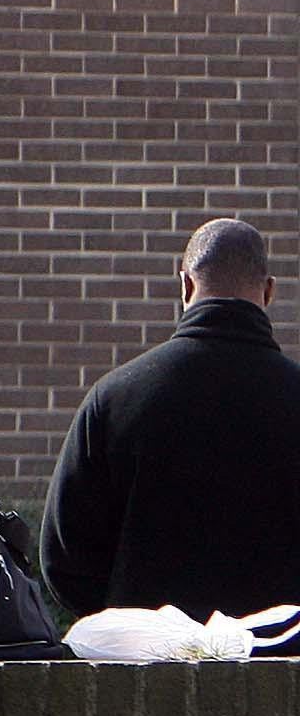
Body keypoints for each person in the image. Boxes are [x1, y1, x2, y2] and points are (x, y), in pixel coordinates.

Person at [42, 217, 300, 620]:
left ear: (186, 286)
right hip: (284, 666)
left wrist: (130, 621)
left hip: (146, 668)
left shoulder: (115, 398)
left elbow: (64, 560)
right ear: (268, 292)